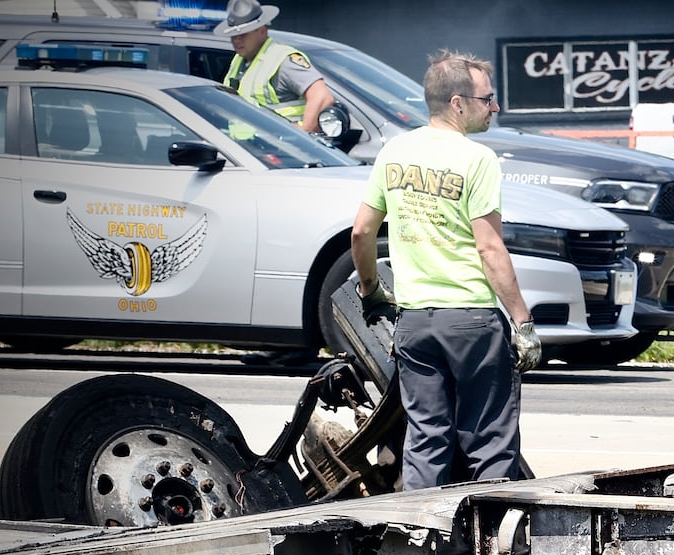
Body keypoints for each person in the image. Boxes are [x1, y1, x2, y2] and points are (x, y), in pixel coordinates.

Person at [349, 50, 540, 490]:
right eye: (487, 99)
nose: (494, 107)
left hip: (414, 321)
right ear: (458, 103)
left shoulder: (394, 152)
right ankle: (492, 540)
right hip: (471, 320)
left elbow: (361, 232)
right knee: (489, 440)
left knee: (426, 438)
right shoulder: (476, 159)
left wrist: (371, 288)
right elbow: (489, 248)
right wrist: (522, 321)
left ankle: (420, 541)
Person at [214, 0, 336, 134]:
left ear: (261, 31)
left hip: (284, 149)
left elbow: (322, 96)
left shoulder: (282, 59)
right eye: (233, 36)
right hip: (250, 149)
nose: (236, 40)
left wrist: (304, 131)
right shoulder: (238, 61)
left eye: (243, 34)